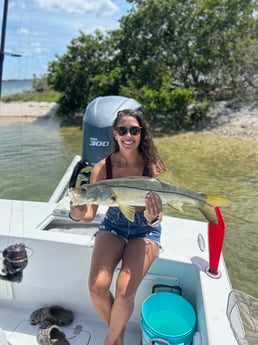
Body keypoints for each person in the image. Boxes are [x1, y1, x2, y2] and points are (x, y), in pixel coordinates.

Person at [69, 109, 166, 345]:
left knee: (123, 293)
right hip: (113, 225)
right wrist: (77, 212)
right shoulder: (102, 168)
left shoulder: (153, 166)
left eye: (134, 130)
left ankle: (111, 341)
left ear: (142, 134)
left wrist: (153, 217)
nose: (128, 135)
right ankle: (118, 339)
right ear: (115, 134)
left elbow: (158, 216)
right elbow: (89, 213)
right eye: (122, 130)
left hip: (145, 229)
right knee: (96, 288)